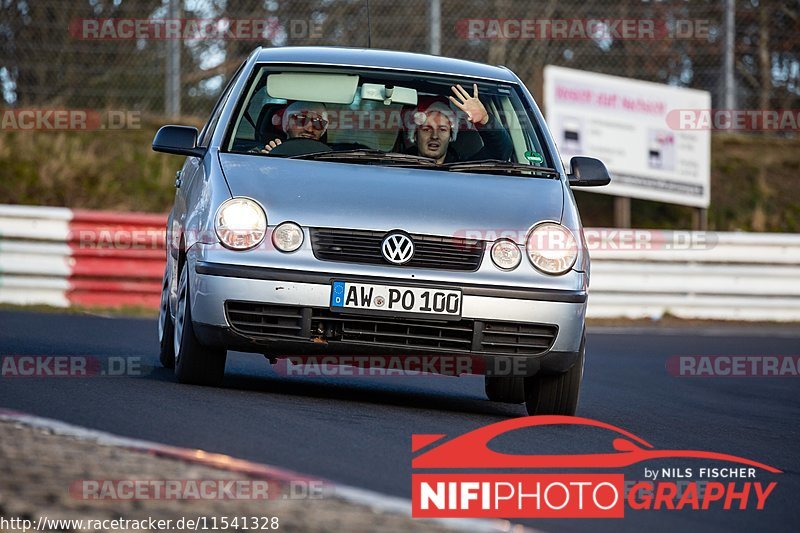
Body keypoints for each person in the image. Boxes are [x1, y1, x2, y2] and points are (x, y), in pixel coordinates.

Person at [406, 84, 512, 164]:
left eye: (442, 129)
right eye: (426, 129)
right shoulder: (397, 168)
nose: (434, 136)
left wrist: (485, 120)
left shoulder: (465, 170)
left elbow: (501, 153)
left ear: (451, 135)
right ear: (415, 135)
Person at [260, 101, 329, 153]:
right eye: (301, 120)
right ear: (286, 124)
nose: (310, 129)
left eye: (318, 123)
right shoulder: (260, 153)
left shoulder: (332, 160)